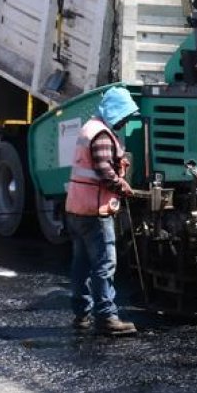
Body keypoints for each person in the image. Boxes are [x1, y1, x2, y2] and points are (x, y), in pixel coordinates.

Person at [65, 86, 139, 337]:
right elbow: (104, 172)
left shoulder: (90, 129)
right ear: (115, 111)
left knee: (81, 263)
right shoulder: (102, 135)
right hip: (94, 209)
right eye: (124, 115)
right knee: (105, 264)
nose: (125, 121)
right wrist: (122, 186)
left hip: (76, 207)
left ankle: (81, 315)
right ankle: (107, 317)